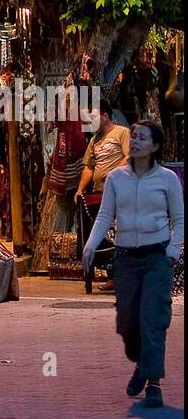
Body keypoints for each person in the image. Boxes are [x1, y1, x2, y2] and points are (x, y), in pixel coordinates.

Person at [82, 120, 184, 408]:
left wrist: (174, 250)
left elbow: (179, 219)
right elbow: (104, 217)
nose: (135, 141)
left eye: (141, 138)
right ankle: (141, 363)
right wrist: (90, 247)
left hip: (157, 257)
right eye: (134, 136)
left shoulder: (168, 179)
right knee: (127, 323)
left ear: (155, 146)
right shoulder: (116, 178)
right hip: (126, 258)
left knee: (153, 318)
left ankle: (153, 383)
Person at [75, 99, 131, 288]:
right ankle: (111, 276)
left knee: (120, 234)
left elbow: (129, 157)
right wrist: (80, 189)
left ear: (105, 115)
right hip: (99, 193)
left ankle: (122, 276)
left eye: (93, 117)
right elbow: (89, 168)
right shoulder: (94, 140)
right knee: (101, 235)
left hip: (120, 192)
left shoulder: (122, 133)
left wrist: (115, 172)